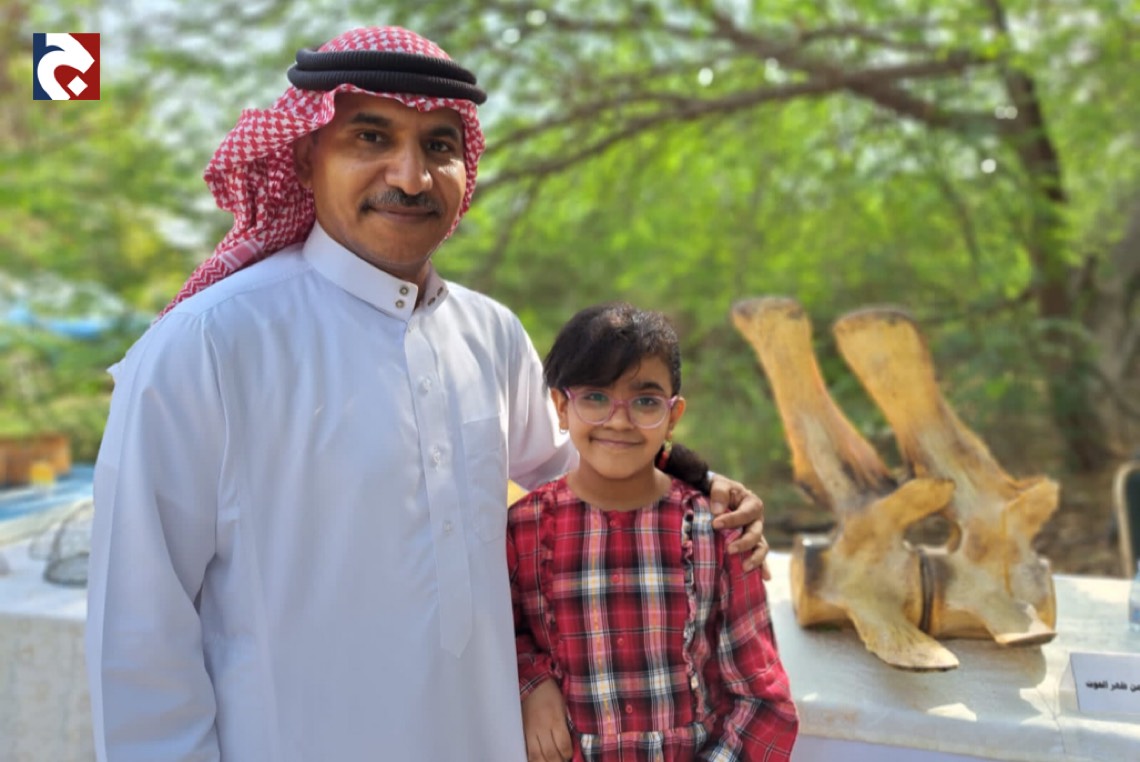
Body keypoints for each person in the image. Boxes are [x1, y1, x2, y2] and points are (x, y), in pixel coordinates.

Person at [85, 27, 772, 761]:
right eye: (371, 137)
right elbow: (139, 634)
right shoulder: (207, 345)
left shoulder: (489, 332)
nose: (411, 177)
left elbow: (586, 470)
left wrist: (706, 488)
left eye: (439, 146)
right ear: (307, 154)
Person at [509, 303, 798, 761]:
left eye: (645, 401)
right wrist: (530, 682)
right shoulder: (521, 531)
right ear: (561, 408)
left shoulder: (719, 533)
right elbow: (496, 638)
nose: (618, 420)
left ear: (673, 414)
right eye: (595, 397)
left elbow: (762, 698)